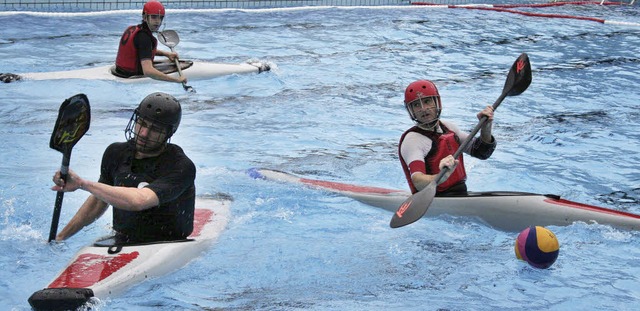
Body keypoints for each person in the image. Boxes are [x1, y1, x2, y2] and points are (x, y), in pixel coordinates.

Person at [52, 92, 196, 243]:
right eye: (142, 123)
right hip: (123, 238)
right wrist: (60, 237)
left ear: (169, 133)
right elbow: (98, 201)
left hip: (167, 240)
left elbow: (139, 200)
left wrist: (82, 183)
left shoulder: (180, 166)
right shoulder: (115, 153)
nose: (144, 133)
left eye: (155, 129)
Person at [399, 80, 496, 195]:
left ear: (437, 102)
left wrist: (486, 127)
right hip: (433, 199)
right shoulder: (412, 140)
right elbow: (418, 182)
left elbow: (482, 152)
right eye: (416, 105)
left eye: (427, 101)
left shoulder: (449, 128)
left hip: (460, 193)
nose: (423, 108)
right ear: (411, 110)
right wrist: (441, 176)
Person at [114, 1, 187, 84]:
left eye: (160, 18)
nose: (158, 21)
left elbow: (141, 50)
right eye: (154, 17)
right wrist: (176, 80)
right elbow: (148, 71)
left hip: (119, 70)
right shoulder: (144, 38)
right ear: (145, 17)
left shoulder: (133, 29)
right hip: (130, 76)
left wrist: (166, 54)